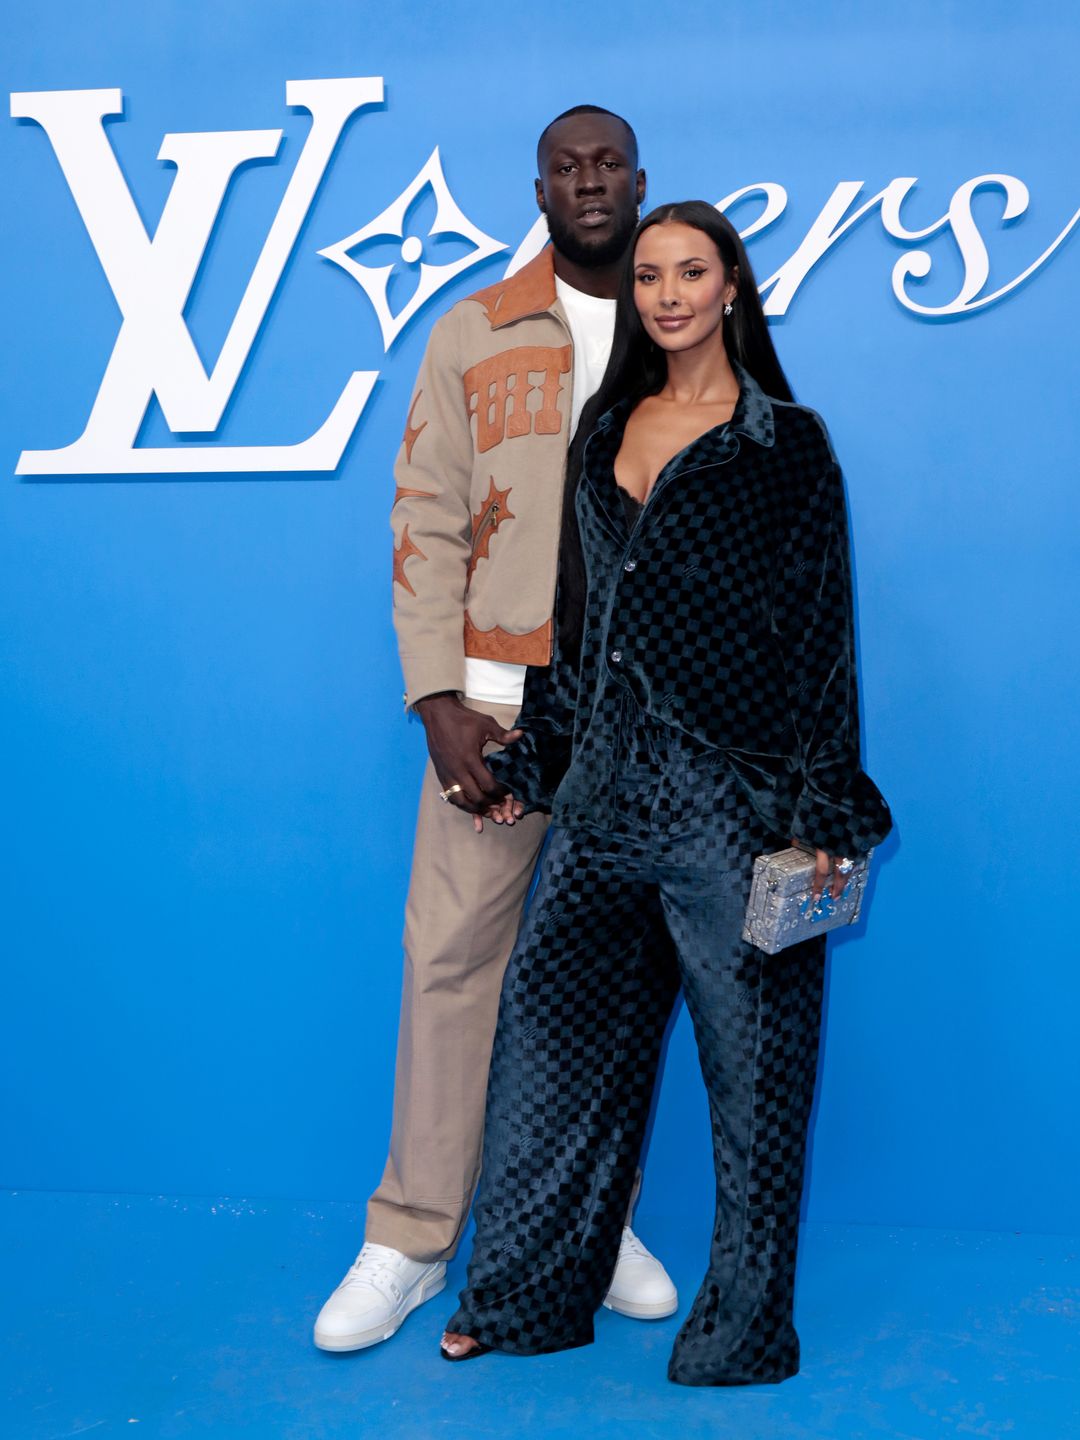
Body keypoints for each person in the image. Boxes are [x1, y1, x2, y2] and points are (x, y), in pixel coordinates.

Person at [439, 201, 892, 1384]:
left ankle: (745, 1331)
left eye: (693, 271)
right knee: (548, 1056)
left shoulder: (785, 444)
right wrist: (535, 758)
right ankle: (526, 1297)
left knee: (756, 1088)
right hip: (598, 806)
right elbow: (580, 637)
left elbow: (820, 644)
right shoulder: (602, 431)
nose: (670, 293)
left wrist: (825, 813)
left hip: (727, 817)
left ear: (734, 286)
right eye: (650, 276)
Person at [314, 108, 678, 1354]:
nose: (590, 182)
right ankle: (413, 1236)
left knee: (607, 983)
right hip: (505, 710)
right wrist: (438, 703)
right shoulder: (473, 329)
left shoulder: (681, 318)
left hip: (639, 720)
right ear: (537, 187)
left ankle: (593, 1215)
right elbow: (425, 512)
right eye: (567, 166)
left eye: (609, 164)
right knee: (452, 967)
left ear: (640, 178)